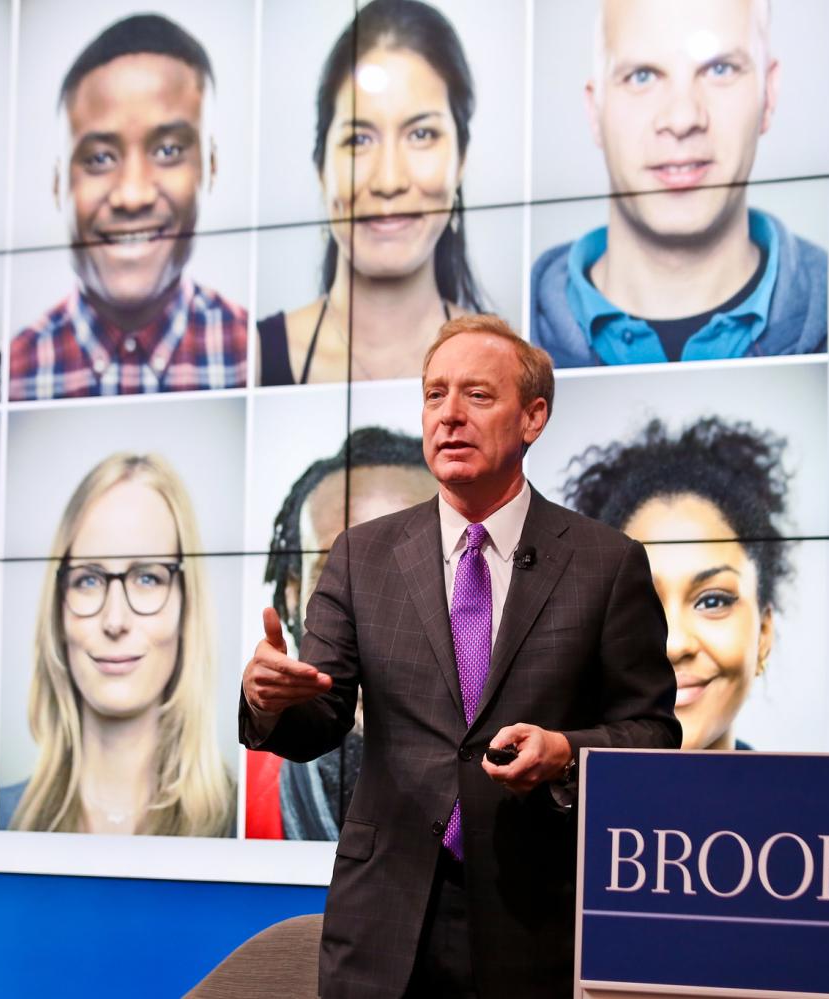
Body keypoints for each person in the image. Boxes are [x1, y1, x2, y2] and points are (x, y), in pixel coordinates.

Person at [241, 314, 678, 997]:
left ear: (533, 417)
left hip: (535, 917)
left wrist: (566, 751)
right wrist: (268, 700)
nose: (449, 415)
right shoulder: (363, 555)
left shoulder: (605, 562)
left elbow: (653, 735)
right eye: (434, 394)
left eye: (476, 395)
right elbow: (321, 719)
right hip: (385, 915)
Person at [530, 0, 826, 366]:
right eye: (642, 76)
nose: (683, 118)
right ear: (595, 112)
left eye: (720, 69)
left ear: (770, 94)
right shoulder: (500, 328)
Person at [8, 15, 246, 400]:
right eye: (100, 158)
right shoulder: (10, 374)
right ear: (58, 183)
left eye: (168, 151)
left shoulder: (255, 354)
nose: (132, 195)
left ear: (210, 168)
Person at [3, 453, 233, 836]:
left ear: (186, 605)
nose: (114, 621)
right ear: (58, 610)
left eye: (147, 578)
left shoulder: (244, 826)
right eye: (88, 580)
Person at [258, 0, 484, 386]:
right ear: (321, 166)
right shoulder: (253, 356)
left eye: (421, 134)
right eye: (359, 139)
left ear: (461, 158)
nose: (389, 180)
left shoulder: (515, 355)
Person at [248, 426, 438, 839]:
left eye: (415, 571)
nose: (378, 616)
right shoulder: (240, 800)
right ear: (292, 594)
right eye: (339, 573)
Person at [563, 416, 794, 750]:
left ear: (764, 635)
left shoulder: (808, 803)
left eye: (712, 601)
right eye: (638, 604)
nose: (674, 645)